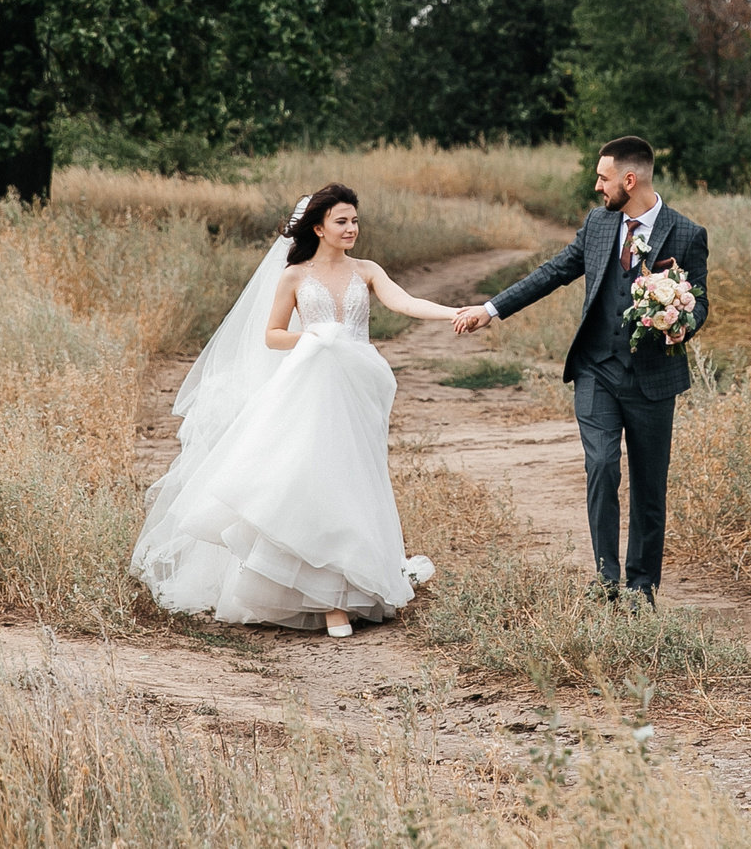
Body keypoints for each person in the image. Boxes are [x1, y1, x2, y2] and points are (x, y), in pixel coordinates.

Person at [130, 185, 454, 636]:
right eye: (341, 221)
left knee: (355, 479)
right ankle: (328, 603)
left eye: (355, 221)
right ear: (318, 227)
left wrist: (456, 312)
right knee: (311, 480)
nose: (351, 229)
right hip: (310, 386)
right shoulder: (294, 276)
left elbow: (405, 303)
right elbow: (273, 335)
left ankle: (355, 584)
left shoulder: (367, 270)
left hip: (358, 388)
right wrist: (315, 338)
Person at [454, 136, 709, 602]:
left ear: (629, 180)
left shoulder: (687, 234)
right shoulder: (597, 224)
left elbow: (701, 302)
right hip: (597, 370)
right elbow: (552, 272)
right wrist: (490, 309)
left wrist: (679, 321)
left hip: (653, 380)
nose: (597, 186)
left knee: (650, 488)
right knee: (602, 466)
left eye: (603, 177)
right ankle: (607, 581)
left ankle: (641, 588)